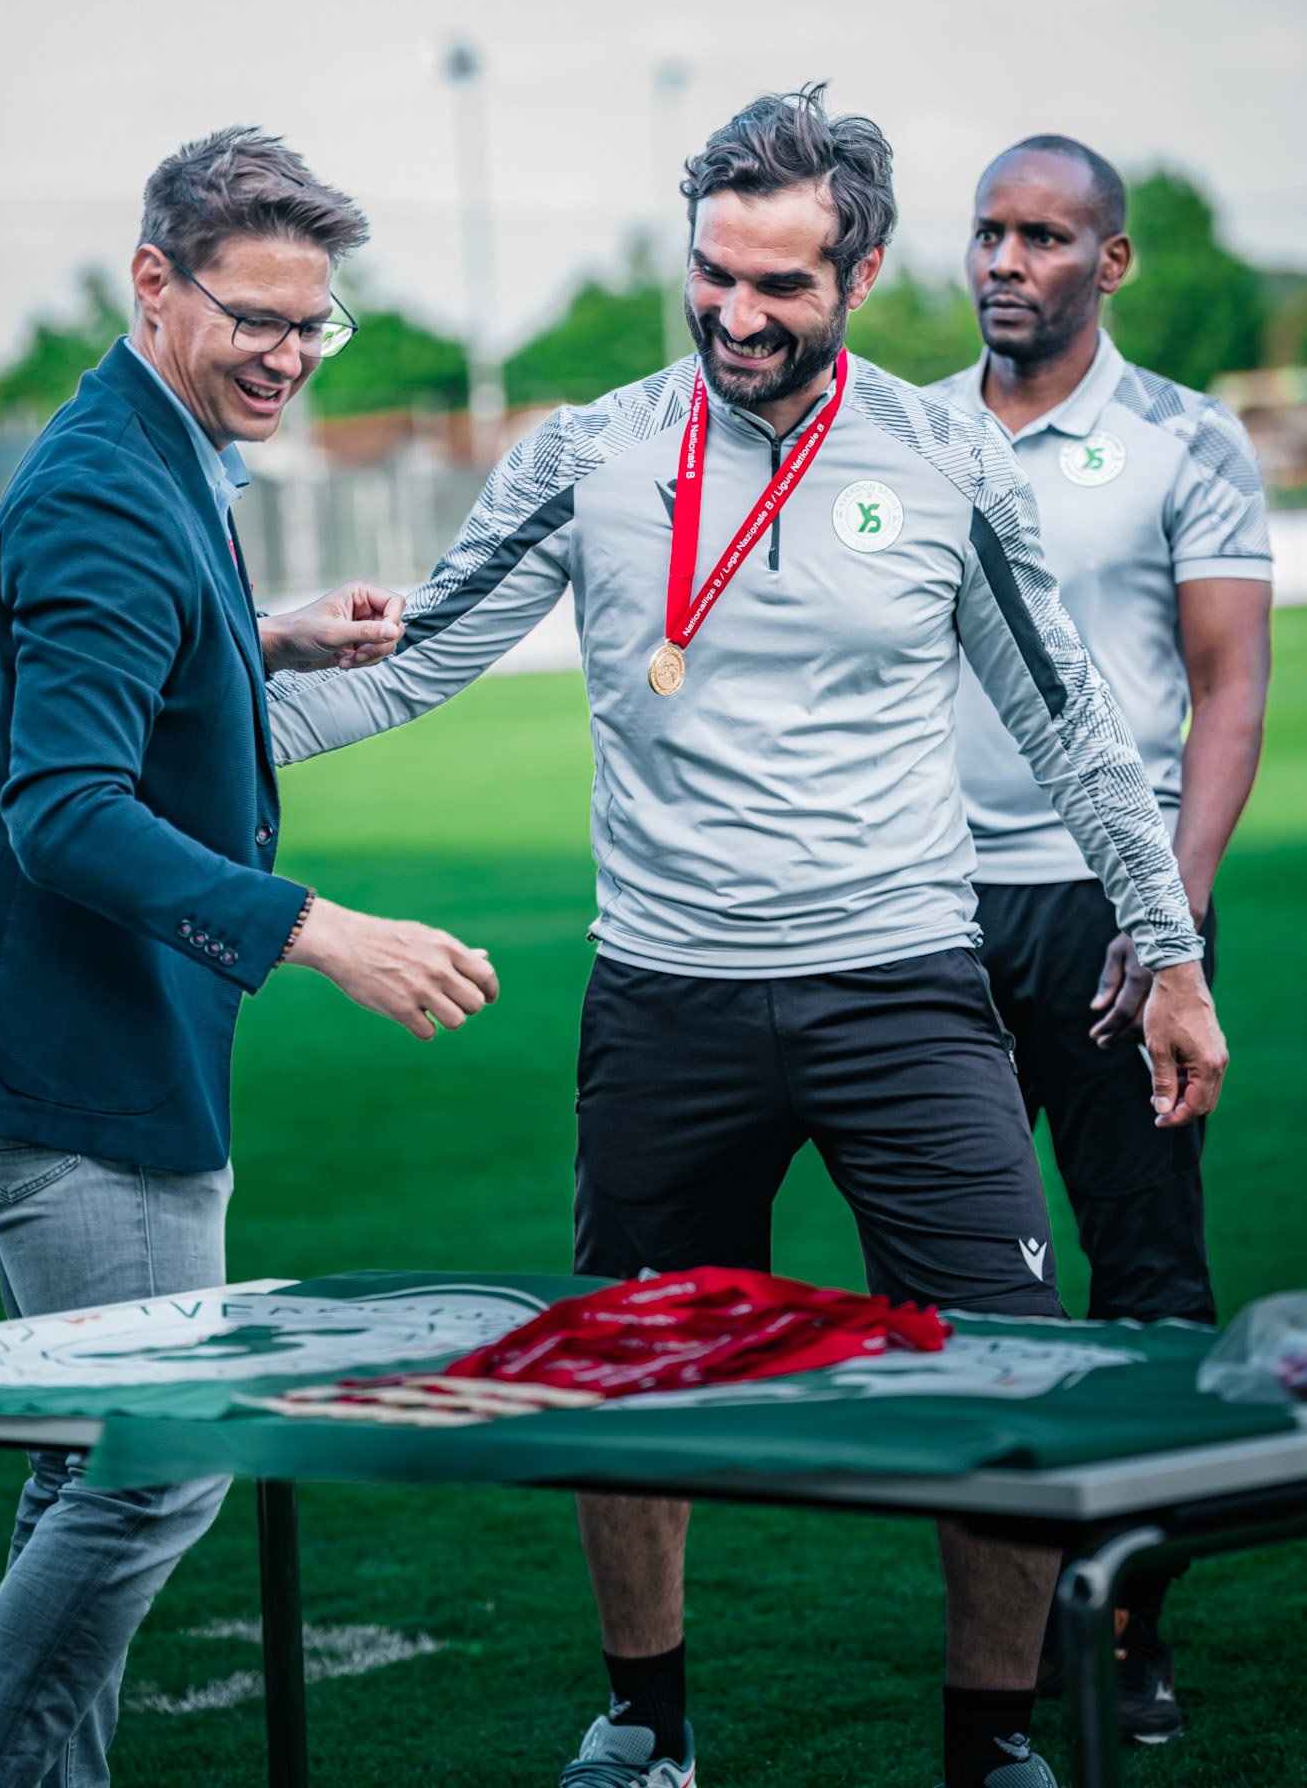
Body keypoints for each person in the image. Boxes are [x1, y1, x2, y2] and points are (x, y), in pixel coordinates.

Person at [267, 88, 1226, 1788]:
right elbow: (416, 664)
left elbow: (1074, 729)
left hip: (899, 988)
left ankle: (991, 1741)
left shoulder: (939, 461)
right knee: (624, 1375)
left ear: (855, 274)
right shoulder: (587, 448)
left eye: (780, 284)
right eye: (712, 274)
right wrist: (175, 726)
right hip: (666, 995)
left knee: (996, 1375)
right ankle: (645, 1720)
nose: (735, 314)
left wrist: (1165, 949)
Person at [0, 128, 499, 1788]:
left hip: (96, 1035)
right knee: (160, 1457)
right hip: (73, 1059)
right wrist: (319, 930)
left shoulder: (146, 445)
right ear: (154, 286)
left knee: (97, 1459)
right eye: (253, 317)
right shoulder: (112, 486)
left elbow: (92, 673)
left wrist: (259, 637)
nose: (284, 356)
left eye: (309, 325)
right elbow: (65, 812)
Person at [928, 135, 1271, 1743]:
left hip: (1107, 906)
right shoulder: (904, 431)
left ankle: (1126, 1617)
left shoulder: (1180, 438)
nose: (1005, 260)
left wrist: (1169, 914)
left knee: (1141, 1274)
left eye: (1043, 235)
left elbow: (1228, 688)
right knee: (966, 1290)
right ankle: (999, 1630)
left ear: (1108, 262)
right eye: (988, 230)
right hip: (921, 905)